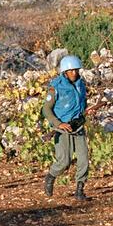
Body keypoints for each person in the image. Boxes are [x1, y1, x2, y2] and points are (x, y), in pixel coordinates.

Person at [43, 55, 102, 200]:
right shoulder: (55, 87)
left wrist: (88, 111)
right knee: (64, 161)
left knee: (83, 159)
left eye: (76, 70)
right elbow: (46, 109)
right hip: (62, 129)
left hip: (78, 126)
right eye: (71, 71)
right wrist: (58, 124)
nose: (74, 73)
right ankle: (50, 177)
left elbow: (82, 104)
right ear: (65, 72)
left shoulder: (81, 84)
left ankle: (80, 190)